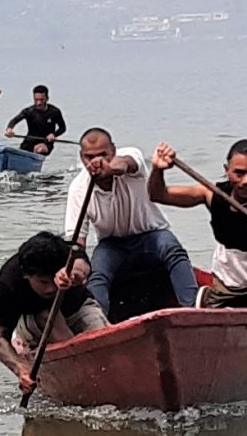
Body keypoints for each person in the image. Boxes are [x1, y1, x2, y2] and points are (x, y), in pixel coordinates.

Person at [148, 140, 247, 310]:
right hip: (226, 286)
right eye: (239, 173)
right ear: (227, 170)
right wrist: (158, 170)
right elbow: (158, 195)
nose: (246, 181)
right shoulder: (212, 194)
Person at [63, 128, 198, 321]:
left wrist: (110, 169)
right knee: (97, 274)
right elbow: (77, 242)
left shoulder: (130, 157)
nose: (96, 161)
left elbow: (126, 164)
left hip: (151, 236)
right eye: (89, 157)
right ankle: (97, 323)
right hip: (112, 245)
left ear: (113, 151)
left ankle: (192, 311)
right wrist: (75, 269)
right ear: (81, 157)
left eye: (103, 155)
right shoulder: (78, 188)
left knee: (172, 249)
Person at [0, 230, 108, 377]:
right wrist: (20, 368)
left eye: (53, 280)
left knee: (105, 343)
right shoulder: (8, 282)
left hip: (78, 307)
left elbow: (81, 264)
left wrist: (73, 274)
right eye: (43, 282)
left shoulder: (69, 256)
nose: (51, 288)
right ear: (26, 275)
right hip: (40, 319)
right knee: (47, 317)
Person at [4, 84, 66, 157]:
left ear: (47, 98)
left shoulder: (54, 112)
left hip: (45, 142)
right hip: (29, 141)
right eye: (36, 100)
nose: (38, 103)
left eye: (41, 100)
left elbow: (63, 128)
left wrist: (54, 134)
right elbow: (14, 120)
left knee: (39, 149)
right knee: (17, 154)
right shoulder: (29, 111)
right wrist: (9, 129)